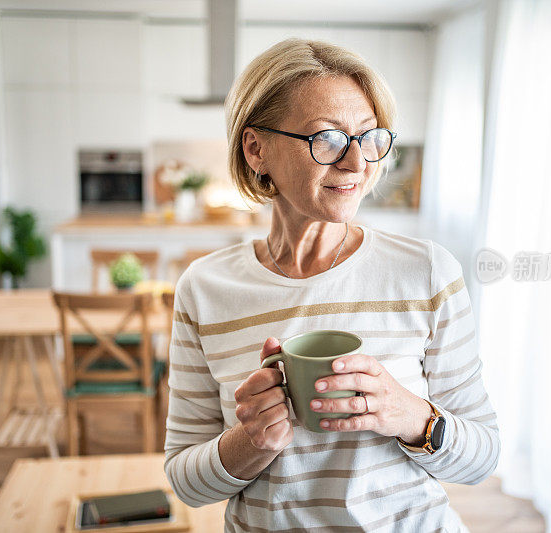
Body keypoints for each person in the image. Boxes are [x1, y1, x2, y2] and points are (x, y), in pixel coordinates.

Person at [164, 37, 500, 532]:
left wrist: (409, 416)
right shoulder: (204, 288)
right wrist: (250, 442)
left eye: (367, 136)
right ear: (256, 148)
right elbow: (185, 483)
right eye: (328, 139)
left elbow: (483, 457)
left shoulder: (426, 271)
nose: (357, 162)